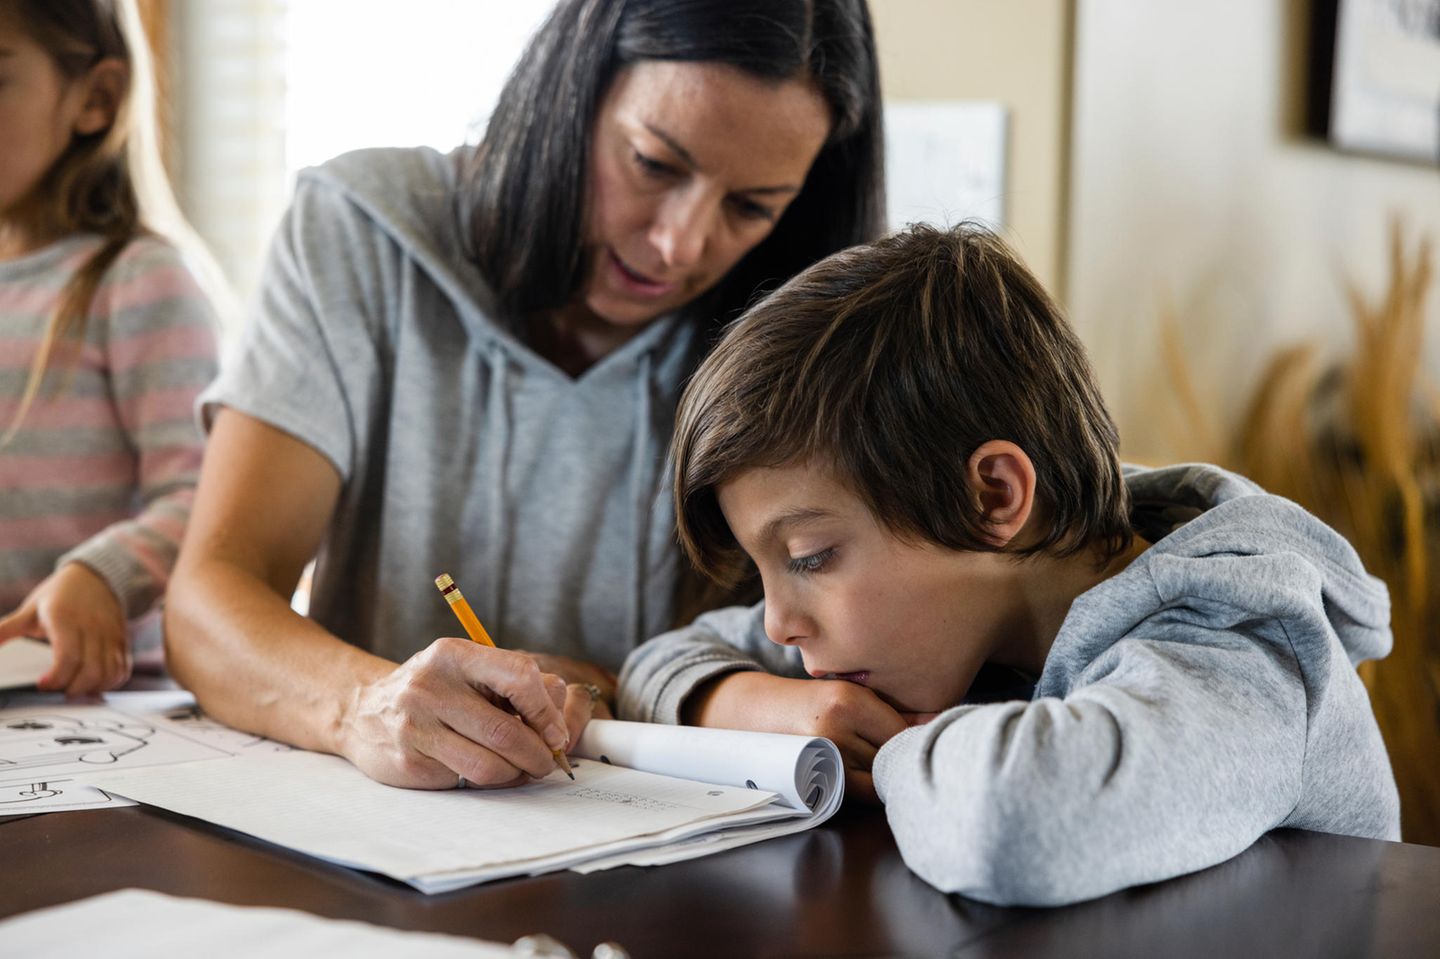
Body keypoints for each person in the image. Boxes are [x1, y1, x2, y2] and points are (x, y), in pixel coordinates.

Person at [165, 0, 885, 791]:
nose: (679, 243)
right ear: (570, 91)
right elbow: (206, 605)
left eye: (750, 207)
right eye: (653, 163)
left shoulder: (794, 341)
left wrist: (613, 689)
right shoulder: (357, 232)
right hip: (374, 822)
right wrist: (363, 703)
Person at [617, 222, 1400, 906]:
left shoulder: (1244, 657)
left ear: (992, 496)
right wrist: (766, 707)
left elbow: (1010, 822)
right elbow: (655, 664)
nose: (779, 623)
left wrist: (894, 747)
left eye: (810, 557)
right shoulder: (954, 621)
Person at [0, 0, 225, 696]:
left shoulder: (137, 280)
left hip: (103, 698)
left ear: (95, 98)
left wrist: (104, 573)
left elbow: (207, 496)